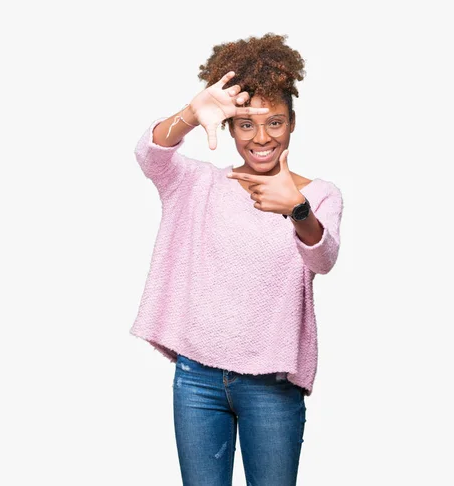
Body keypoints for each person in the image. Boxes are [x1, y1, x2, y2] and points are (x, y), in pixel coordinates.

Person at [130, 33, 344, 485]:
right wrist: (190, 114)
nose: (261, 137)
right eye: (245, 124)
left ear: (292, 123)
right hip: (197, 379)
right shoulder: (196, 183)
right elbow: (150, 155)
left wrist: (296, 208)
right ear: (228, 127)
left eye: (275, 122)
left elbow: (323, 258)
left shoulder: (319, 195)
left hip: (271, 386)